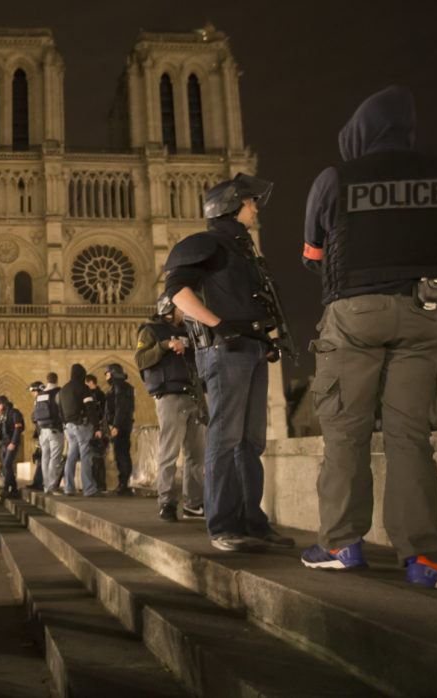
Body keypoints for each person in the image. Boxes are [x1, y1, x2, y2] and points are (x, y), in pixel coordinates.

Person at [298, 85, 437, 588]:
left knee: (345, 435)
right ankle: (426, 560)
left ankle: (340, 544)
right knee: (411, 438)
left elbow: (312, 255)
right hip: (425, 311)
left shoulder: (335, 178)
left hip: (354, 315)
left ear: (359, 134)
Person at [163, 174, 294, 552]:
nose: (255, 209)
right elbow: (176, 291)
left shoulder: (243, 250)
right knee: (225, 437)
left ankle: (252, 522)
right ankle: (222, 526)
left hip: (251, 349)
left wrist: (264, 340)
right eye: (251, 203)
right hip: (225, 351)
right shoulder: (208, 243)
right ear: (231, 206)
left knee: (250, 441)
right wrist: (218, 326)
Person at [135, 294, 206, 521]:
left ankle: (194, 504)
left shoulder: (191, 330)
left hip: (194, 395)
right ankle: (166, 502)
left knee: (197, 455)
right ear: (169, 308)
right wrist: (165, 345)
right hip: (170, 397)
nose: (187, 309)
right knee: (169, 452)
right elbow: (140, 360)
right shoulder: (150, 330)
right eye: (181, 306)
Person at [59, 363, 102, 496]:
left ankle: (68, 488)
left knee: (71, 456)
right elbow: (90, 409)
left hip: (68, 427)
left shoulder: (63, 389)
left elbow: (59, 410)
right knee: (85, 456)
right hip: (81, 426)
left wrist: (65, 425)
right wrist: (97, 427)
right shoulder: (83, 388)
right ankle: (88, 488)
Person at [103, 364, 135, 496]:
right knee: (123, 453)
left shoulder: (119, 387)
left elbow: (120, 407)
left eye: (107, 373)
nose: (105, 376)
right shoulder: (123, 386)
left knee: (121, 454)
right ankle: (123, 483)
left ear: (112, 374)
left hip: (121, 426)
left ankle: (123, 484)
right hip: (124, 424)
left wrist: (115, 426)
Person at [32, 372, 66, 494]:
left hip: (42, 432)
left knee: (45, 458)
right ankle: (52, 485)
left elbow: (34, 414)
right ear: (56, 380)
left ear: (47, 381)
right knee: (55, 458)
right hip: (54, 429)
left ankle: (46, 486)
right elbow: (63, 410)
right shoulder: (58, 392)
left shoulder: (40, 395)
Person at [0, 395, 24, 497]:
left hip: (11, 443)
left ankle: (6, 489)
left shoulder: (14, 413)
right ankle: (14, 489)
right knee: (7, 466)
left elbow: (18, 428)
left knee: (7, 464)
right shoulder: (1, 416)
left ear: (4, 404)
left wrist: (13, 442)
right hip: (3, 444)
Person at [84, 374, 109, 491]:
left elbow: (102, 412)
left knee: (97, 456)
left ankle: (99, 484)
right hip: (96, 427)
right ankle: (96, 484)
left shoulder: (98, 395)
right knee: (94, 457)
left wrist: (98, 426)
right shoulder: (99, 394)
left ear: (90, 382)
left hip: (98, 428)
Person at [27, 381, 46, 490]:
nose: (33, 394)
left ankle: (40, 483)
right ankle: (38, 482)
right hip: (41, 433)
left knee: (43, 458)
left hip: (44, 433)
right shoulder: (39, 400)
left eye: (33, 391)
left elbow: (35, 417)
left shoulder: (41, 399)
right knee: (41, 458)